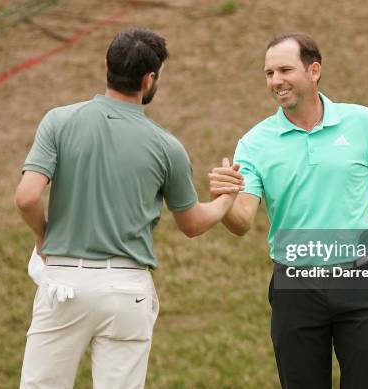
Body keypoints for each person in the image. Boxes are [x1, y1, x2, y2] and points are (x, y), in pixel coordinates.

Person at [209, 32, 368, 389]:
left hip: (361, 281)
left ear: (314, 70)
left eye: (285, 69)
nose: (276, 81)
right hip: (295, 288)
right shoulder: (254, 143)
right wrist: (225, 202)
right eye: (269, 73)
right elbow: (242, 221)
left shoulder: (362, 123)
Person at [14, 28, 242, 389]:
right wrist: (225, 201)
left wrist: (44, 235)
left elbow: (26, 197)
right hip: (127, 289)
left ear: (106, 65)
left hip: (64, 283)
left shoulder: (58, 121)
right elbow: (193, 224)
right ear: (150, 79)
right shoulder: (168, 147)